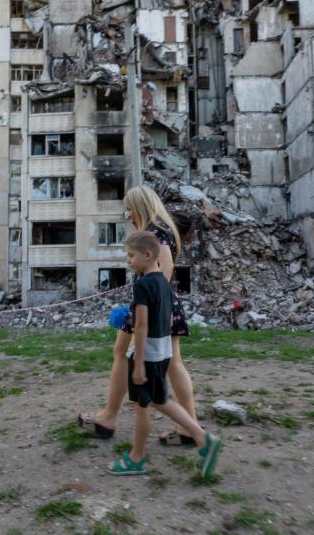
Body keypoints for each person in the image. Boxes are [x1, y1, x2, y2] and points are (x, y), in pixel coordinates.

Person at [78, 185, 199, 446]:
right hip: (149, 308)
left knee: (166, 364)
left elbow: (162, 278)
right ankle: (110, 416)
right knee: (131, 354)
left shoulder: (156, 233)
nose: (129, 216)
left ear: (140, 207)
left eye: (129, 210)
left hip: (153, 311)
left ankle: (117, 422)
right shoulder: (157, 231)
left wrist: (140, 316)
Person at [106, 232, 221, 477]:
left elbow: (142, 326)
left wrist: (137, 365)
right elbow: (164, 319)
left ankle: (137, 459)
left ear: (147, 255)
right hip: (163, 352)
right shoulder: (164, 284)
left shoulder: (142, 285)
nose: (129, 261)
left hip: (145, 356)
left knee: (143, 406)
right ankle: (203, 437)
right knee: (161, 401)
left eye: (131, 256)